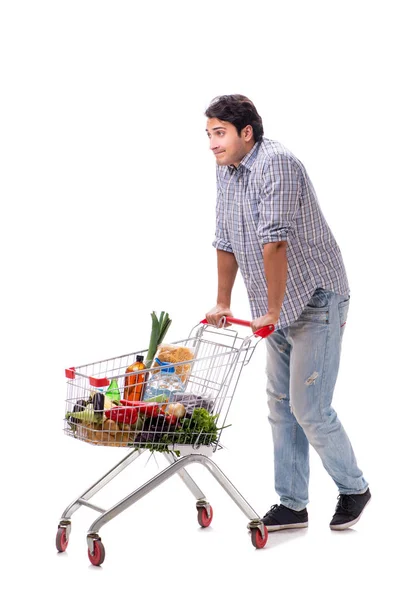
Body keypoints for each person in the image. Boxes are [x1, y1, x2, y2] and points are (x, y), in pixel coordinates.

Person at [204, 94, 370, 531]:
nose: (212, 144)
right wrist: (225, 302)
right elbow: (225, 237)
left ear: (247, 133)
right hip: (272, 305)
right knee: (280, 406)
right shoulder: (227, 169)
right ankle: (293, 503)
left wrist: (274, 309)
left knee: (309, 408)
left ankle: (354, 487)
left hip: (314, 296)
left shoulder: (275, 164)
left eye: (219, 133)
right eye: (208, 134)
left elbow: (275, 240)